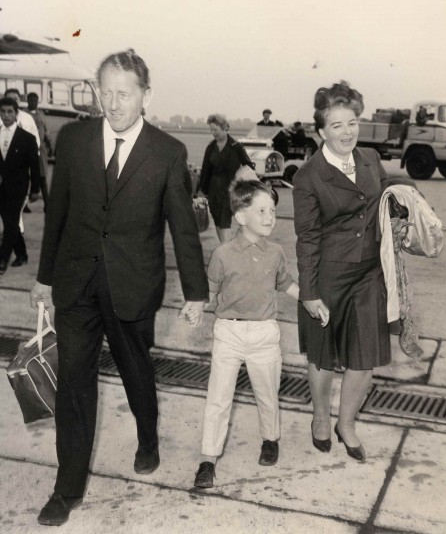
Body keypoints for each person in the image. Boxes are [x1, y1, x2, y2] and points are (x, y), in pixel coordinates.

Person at [30, 49, 209, 526]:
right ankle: (66, 490)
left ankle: (147, 437)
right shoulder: (72, 140)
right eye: (105, 92)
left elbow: (182, 228)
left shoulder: (169, 152)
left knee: (135, 372)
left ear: (145, 95)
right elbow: (58, 214)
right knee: (72, 382)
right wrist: (44, 278)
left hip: (132, 285)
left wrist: (196, 292)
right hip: (75, 283)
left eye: (124, 94)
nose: (113, 103)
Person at [293, 81, 394, 463]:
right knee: (322, 357)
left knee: (364, 358)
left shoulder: (370, 159)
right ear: (321, 131)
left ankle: (346, 422)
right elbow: (307, 238)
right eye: (337, 125)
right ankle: (321, 415)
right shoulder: (309, 177)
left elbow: (384, 203)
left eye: (352, 122)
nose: (347, 132)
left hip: (370, 272)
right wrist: (309, 291)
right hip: (328, 275)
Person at [192, 180, 299, 489]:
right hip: (229, 332)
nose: (269, 217)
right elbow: (210, 290)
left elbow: (285, 283)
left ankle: (270, 439)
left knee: (267, 393)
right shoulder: (222, 254)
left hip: (265, 333)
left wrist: (310, 300)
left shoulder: (276, 252)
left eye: (273, 211)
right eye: (262, 211)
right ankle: (208, 459)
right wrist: (196, 307)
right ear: (240, 217)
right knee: (218, 398)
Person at [198, 114, 254, 243]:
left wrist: (241, 180)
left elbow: (248, 165)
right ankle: (224, 248)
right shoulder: (210, 147)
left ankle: (225, 250)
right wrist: (201, 190)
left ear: (224, 128)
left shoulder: (236, 147)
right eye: (211, 130)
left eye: (215, 130)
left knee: (225, 219)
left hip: (230, 189)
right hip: (213, 189)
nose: (213, 133)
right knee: (217, 218)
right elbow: (205, 169)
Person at [0, 97, 40, 274]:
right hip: (1, 187)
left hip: (18, 188)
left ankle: (2, 259)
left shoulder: (27, 138)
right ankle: (22, 254)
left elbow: (35, 166)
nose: (6, 115)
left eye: (10, 112)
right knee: (10, 223)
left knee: (10, 223)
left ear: (16, 113)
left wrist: (35, 189)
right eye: (2, 111)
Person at [25, 92, 52, 210]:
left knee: (42, 177)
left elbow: (45, 131)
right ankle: (24, 204)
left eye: (35, 100)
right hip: (26, 150)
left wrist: (50, 146)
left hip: (40, 149)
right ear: (27, 101)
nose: (33, 102)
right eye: (31, 100)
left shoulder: (41, 115)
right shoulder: (23, 114)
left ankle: (47, 205)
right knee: (25, 177)